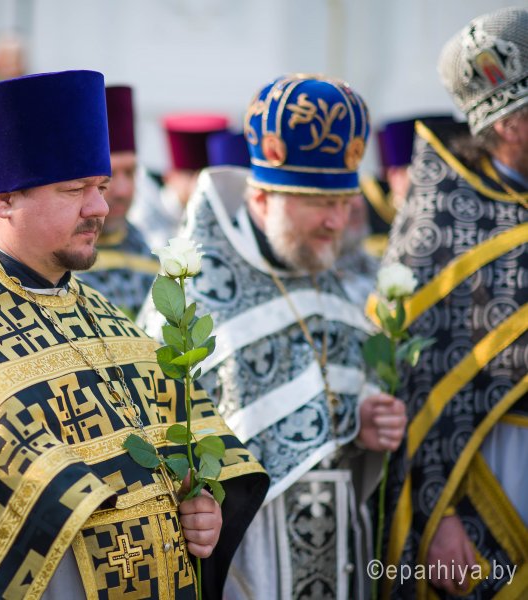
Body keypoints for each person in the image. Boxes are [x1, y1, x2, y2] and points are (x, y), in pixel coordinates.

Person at [0, 69, 269, 599]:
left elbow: (193, 467)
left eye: (100, 186)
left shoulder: (108, 318)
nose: (100, 207)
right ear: (4, 198)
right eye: (75, 189)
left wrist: (202, 509)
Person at [141, 74, 408, 599]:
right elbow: (165, 430)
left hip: (342, 545)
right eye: (318, 203)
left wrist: (364, 425)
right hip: (248, 549)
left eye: (344, 202)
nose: (336, 222)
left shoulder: (333, 276)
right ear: (262, 198)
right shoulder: (195, 291)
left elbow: (337, 415)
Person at [378, 7, 528, 598]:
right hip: (497, 466)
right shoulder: (439, 223)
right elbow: (413, 382)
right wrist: (436, 514)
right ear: (511, 125)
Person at [76, 85, 159, 319]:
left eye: (130, 173)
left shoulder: (150, 254)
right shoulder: (58, 262)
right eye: (108, 176)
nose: (122, 190)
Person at [128, 113, 228, 250]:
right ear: (170, 176)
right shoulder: (144, 213)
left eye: (205, 177)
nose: (199, 184)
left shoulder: (220, 212)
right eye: (190, 175)